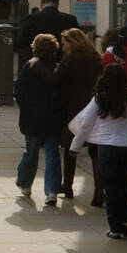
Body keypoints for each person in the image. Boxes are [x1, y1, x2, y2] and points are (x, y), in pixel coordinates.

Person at [70, 63, 127, 239]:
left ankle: (115, 226)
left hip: (105, 147)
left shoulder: (99, 98)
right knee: (123, 184)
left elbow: (85, 125)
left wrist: (74, 147)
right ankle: (125, 221)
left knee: (111, 187)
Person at [33, 27, 106, 204]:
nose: (62, 46)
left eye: (64, 43)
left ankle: (68, 186)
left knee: (70, 149)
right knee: (95, 151)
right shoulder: (95, 58)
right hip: (94, 107)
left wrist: (36, 65)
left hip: (73, 109)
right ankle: (98, 191)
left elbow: (53, 79)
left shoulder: (70, 58)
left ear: (72, 43)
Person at [14, 33, 66, 205]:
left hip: (33, 118)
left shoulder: (28, 68)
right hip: (52, 118)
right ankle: (51, 191)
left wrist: (27, 110)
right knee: (52, 153)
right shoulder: (57, 69)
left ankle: (25, 183)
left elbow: (20, 93)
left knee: (31, 152)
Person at [15, 0, 79, 64]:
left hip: (37, 64)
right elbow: (78, 42)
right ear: (57, 4)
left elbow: (21, 42)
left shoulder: (31, 19)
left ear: (41, 4)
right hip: (62, 63)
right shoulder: (70, 19)